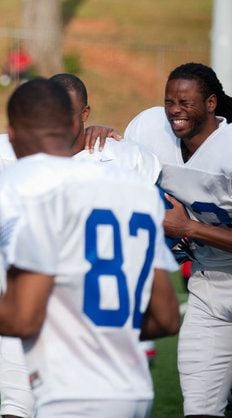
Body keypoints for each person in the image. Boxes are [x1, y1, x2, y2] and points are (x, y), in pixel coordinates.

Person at [0, 74, 164, 418]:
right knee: (15, 407)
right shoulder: (120, 168)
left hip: (61, 319)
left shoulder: (115, 160)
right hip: (92, 328)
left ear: (84, 114)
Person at [124, 62, 232, 418]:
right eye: (169, 101)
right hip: (207, 287)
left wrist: (189, 229)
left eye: (185, 102)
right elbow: (117, 165)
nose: (174, 110)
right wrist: (99, 136)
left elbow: (184, 225)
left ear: (212, 103)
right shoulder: (151, 131)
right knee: (200, 407)